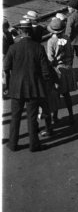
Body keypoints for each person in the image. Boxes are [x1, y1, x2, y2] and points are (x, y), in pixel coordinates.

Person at [3, 17, 54, 152]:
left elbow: (6, 68)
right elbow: (45, 71)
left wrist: (7, 86)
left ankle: (13, 144)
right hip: (34, 88)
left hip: (16, 88)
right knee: (32, 118)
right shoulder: (38, 47)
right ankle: (34, 144)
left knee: (15, 117)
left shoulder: (13, 48)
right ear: (30, 31)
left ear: (20, 31)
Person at [45, 16, 78, 127]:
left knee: (56, 95)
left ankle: (55, 116)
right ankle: (71, 115)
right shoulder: (67, 39)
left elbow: (50, 59)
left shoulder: (51, 41)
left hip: (57, 70)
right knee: (67, 94)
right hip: (68, 68)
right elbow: (72, 54)